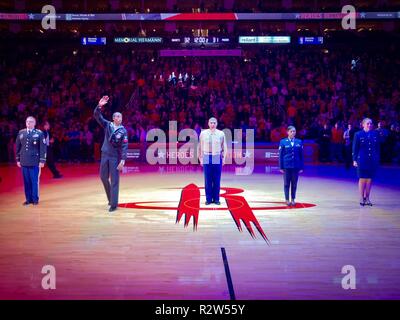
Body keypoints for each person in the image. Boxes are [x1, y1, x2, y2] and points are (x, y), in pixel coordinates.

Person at [94, 96, 128, 212]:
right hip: (105, 154)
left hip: (115, 157)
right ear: (113, 118)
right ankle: (110, 198)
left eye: (121, 116)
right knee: (103, 177)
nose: (119, 118)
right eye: (117, 116)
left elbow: (124, 146)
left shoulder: (123, 131)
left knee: (115, 180)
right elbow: (97, 116)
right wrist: (99, 106)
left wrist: (123, 160)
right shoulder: (108, 125)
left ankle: (114, 204)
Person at [15, 116, 47, 205]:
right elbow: (18, 147)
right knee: (26, 181)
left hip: (34, 161)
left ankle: (35, 199)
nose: (29, 123)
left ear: (34, 123)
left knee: (34, 181)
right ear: (25, 123)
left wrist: (42, 160)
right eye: (27, 121)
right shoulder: (21, 133)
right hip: (24, 161)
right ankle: (28, 200)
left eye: (31, 121)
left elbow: (43, 148)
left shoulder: (39, 133)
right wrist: (18, 159)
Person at [198, 117, 227, 205]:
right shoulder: (203, 133)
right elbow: (199, 147)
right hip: (206, 156)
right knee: (207, 179)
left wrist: (224, 158)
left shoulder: (221, 134)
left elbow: (224, 147)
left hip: (217, 156)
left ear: (217, 123)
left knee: (217, 179)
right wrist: (200, 159)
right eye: (211, 123)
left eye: (214, 123)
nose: (213, 124)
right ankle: (208, 199)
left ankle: (217, 199)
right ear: (208, 123)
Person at [352, 118, 380, 206]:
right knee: (362, 178)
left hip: (372, 160)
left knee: (369, 179)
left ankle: (367, 197)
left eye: (371, 124)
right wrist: (354, 159)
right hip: (362, 160)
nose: (369, 125)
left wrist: (377, 158)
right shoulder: (358, 134)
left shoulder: (375, 134)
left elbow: (377, 148)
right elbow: (355, 148)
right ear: (363, 124)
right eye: (367, 123)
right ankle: (361, 197)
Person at [279, 126, 304, 206]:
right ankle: (287, 199)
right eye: (291, 131)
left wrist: (301, 167)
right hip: (286, 166)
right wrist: (281, 167)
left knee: (294, 184)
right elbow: (281, 155)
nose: (293, 133)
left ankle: (293, 199)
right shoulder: (283, 142)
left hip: (295, 167)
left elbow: (301, 156)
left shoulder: (299, 142)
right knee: (286, 184)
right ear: (288, 132)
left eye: (294, 131)